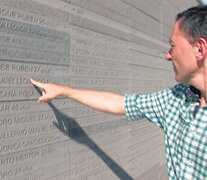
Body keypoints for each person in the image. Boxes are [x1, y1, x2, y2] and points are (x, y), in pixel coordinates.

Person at [30, 5, 207, 179]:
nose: (168, 55)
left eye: (173, 46)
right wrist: (64, 91)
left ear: (199, 49)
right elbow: (119, 103)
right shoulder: (176, 99)